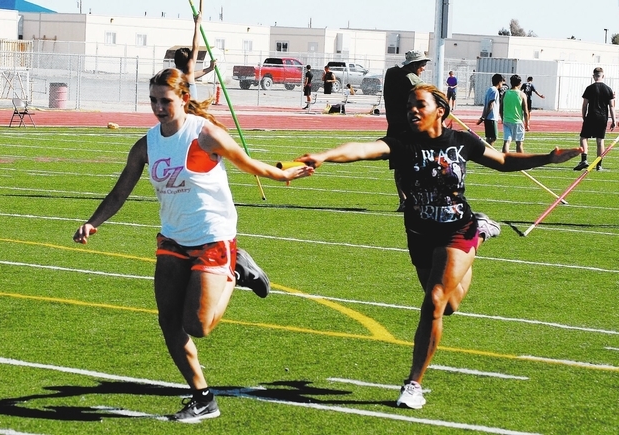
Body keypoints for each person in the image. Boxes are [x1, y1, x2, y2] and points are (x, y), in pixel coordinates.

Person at [295, 83, 582, 410]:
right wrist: (325, 155)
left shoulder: (461, 141)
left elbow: (502, 159)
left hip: (457, 230)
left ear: (440, 111)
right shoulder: (402, 143)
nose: (412, 111)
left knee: (433, 300)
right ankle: (484, 233)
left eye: (420, 105)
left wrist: (549, 158)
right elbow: (361, 149)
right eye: (409, 106)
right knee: (448, 306)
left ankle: (413, 384)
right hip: (420, 233)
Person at [72, 68, 314, 422]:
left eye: (165, 101)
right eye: (153, 101)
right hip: (173, 237)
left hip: (212, 235)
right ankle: (203, 398)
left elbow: (248, 164)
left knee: (199, 326)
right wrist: (93, 222)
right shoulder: (147, 144)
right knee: (169, 321)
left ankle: (236, 270)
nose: (158, 108)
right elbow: (120, 190)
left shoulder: (204, 135)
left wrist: (284, 173)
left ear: (184, 99)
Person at [384, 49, 431, 212]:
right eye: (422, 64)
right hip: (409, 128)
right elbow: (429, 94)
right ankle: (411, 200)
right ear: (414, 65)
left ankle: (404, 200)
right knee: (414, 164)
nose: (424, 67)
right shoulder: (411, 79)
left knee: (399, 166)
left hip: (394, 126)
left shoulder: (391, 73)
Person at [573, 67, 616, 171]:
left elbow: (585, 105)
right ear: (603, 76)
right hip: (602, 117)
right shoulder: (608, 89)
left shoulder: (590, 88)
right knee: (600, 140)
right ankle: (599, 165)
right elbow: (612, 106)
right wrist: (614, 120)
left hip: (591, 115)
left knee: (584, 137)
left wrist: (584, 116)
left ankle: (584, 159)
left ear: (593, 76)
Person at [173, 0, 216, 101]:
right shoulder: (188, 70)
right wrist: (197, 24)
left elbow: (193, 75)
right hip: (190, 109)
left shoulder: (177, 74)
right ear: (188, 61)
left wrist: (210, 68)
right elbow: (196, 46)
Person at [501, 74, 529, 153]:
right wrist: (527, 124)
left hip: (507, 120)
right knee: (519, 143)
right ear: (520, 83)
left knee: (507, 142)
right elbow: (526, 111)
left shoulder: (505, 93)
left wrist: (502, 118)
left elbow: (501, 108)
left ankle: (505, 159)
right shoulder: (522, 94)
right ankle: (520, 160)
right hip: (518, 121)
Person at [476, 73, 504, 146]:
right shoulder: (494, 90)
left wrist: (483, 117)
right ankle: (487, 150)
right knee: (493, 137)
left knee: (489, 138)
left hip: (489, 117)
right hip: (491, 117)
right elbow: (491, 104)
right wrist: (484, 117)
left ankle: (487, 150)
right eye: (502, 82)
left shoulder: (490, 89)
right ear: (499, 82)